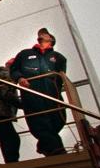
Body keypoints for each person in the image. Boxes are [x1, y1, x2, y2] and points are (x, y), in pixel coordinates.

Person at [10, 28, 68, 156]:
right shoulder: (24, 54)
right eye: (40, 34)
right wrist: (20, 78)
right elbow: (14, 70)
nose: (41, 35)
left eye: (45, 34)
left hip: (52, 95)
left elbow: (61, 77)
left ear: (51, 40)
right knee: (38, 123)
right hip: (31, 95)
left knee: (56, 121)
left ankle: (46, 146)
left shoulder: (58, 58)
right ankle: (57, 150)